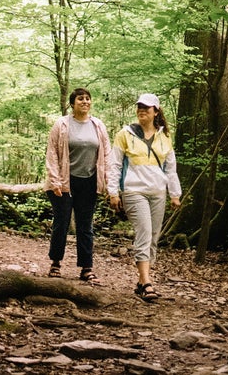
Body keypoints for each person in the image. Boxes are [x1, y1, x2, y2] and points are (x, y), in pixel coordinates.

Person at [108, 93, 181, 301]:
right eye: (139, 107)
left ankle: (141, 282)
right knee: (144, 233)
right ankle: (147, 282)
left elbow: (170, 168)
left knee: (153, 237)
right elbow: (114, 165)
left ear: (156, 112)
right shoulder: (125, 134)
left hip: (158, 192)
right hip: (134, 191)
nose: (142, 110)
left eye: (146, 108)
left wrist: (175, 194)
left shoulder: (165, 136)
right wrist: (113, 192)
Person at [44, 87, 112, 284]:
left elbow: (106, 154)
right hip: (65, 181)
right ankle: (55, 263)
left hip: (89, 181)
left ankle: (86, 268)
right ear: (73, 103)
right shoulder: (62, 124)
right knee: (62, 223)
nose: (85, 102)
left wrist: (108, 182)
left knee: (85, 225)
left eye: (88, 99)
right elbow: (52, 153)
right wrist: (55, 180)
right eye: (80, 99)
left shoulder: (98, 125)